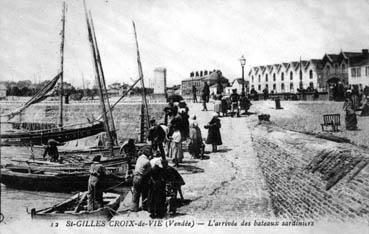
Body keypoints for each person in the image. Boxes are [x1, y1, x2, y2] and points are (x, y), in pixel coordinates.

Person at [132, 145, 152, 212]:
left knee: (136, 193)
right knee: (145, 192)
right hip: (141, 178)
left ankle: (135, 208)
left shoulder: (139, 158)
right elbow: (149, 172)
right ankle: (144, 206)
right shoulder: (147, 161)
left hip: (135, 177)